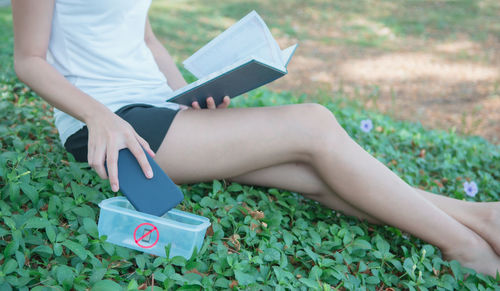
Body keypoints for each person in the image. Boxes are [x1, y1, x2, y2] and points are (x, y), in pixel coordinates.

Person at [11, 0, 500, 277]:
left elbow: (146, 39)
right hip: (108, 126)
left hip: (156, 109)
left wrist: (183, 95)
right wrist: (97, 116)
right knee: (313, 123)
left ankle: (481, 217)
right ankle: (462, 244)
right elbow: (28, 59)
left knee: (315, 170)